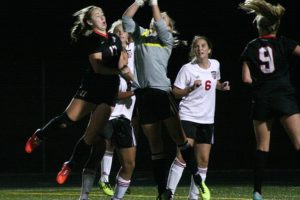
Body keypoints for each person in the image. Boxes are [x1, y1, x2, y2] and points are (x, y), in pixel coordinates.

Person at [24, 5, 133, 184]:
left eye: (103, 14)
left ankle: (70, 164)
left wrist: (125, 64)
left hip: (109, 92)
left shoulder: (114, 37)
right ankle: (40, 135)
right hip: (91, 88)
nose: (103, 18)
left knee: (90, 136)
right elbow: (98, 67)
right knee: (67, 121)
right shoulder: (91, 38)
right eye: (98, 16)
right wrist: (119, 71)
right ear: (90, 22)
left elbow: (122, 62)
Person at [122, 0, 210, 199]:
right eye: (157, 18)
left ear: (169, 27)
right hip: (144, 95)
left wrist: (154, 4)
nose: (158, 21)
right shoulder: (142, 35)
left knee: (180, 139)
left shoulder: (166, 39)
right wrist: (138, 2)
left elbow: (159, 23)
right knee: (156, 146)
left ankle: (197, 177)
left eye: (163, 20)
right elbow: (126, 19)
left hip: (162, 93)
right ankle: (163, 191)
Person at [239, 0, 300, 199]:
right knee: (298, 143)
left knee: (262, 147)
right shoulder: (283, 42)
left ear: (260, 27)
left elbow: (246, 79)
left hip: (262, 98)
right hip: (283, 96)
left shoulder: (251, 46)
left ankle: (257, 192)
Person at [165, 35, 230, 200]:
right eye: (196, 46)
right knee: (182, 156)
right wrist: (190, 89)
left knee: (203, 160)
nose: (200, 49)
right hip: (188, 116)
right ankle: (169, 194)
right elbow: (175, 92)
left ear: (209, 49)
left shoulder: (215, 64)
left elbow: (214, 81)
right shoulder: (188, 69)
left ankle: (193, 197)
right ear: (193, 50)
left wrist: (221, 86)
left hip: (207, 119)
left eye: (203, 46)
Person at [97, 20, 136, 197]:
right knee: (106, 143)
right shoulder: (111, 54)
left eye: (123, 31)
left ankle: (119, 185)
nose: (120, 33)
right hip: (110, 106)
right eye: (117, 31)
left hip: (126, 111)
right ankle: (104, 178)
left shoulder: (135, 49)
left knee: (128, 159)